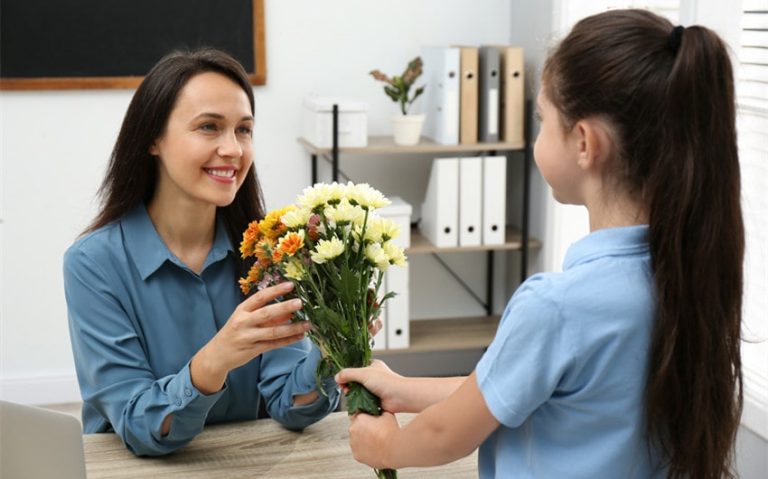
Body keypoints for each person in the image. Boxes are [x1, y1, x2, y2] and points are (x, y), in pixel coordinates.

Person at [335, 9, 743, 479]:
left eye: (542, 119)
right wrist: (404, 389)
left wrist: (387, 446)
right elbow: (515, 389)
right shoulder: (686, 275)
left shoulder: (556, 305)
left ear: (585, 142)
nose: (535, 138)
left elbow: (446, 434)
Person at [63, 48, 341, 456]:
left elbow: (292, 406)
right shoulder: (93, 264)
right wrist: (214, 361)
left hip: (250, 464)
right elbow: (140, 426)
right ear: (153, 138)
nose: (233, 149)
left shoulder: (271, 251)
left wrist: (332, 345)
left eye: (243, 130)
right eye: (209, 127)